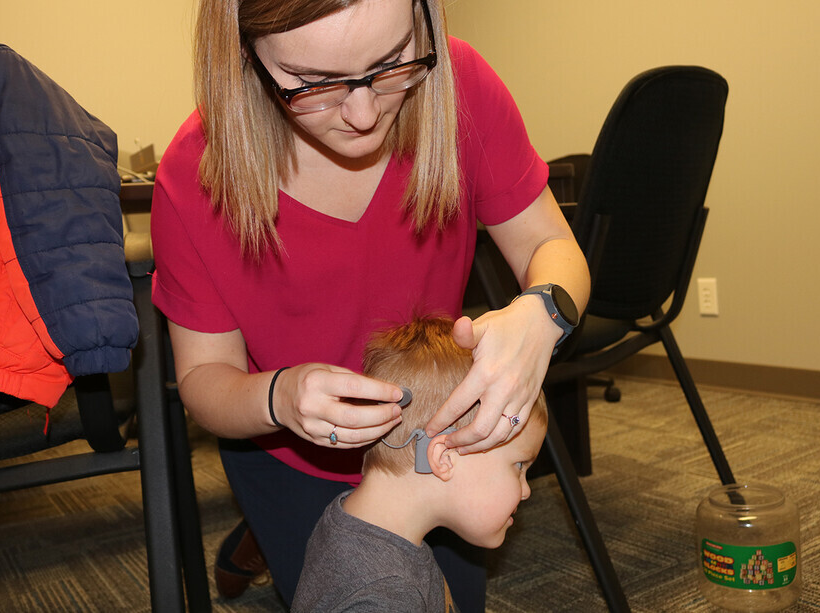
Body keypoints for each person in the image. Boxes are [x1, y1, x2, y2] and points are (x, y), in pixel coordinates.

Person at [150, 0, 590, 609]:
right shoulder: (193, 175)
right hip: (285, 448)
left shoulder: (458, 87)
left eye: (390, 63)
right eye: (312, 83)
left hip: (432, 439)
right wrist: (279, 396)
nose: (362, 114)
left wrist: (542, 311)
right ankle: (267, 527)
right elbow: (203, 380)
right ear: (245, 57)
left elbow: (551, 245)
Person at [292, 317, 548, 612]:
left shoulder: (351, 521)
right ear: (443, 457)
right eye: (518, 466)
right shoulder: (385, 596)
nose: (526, 491)